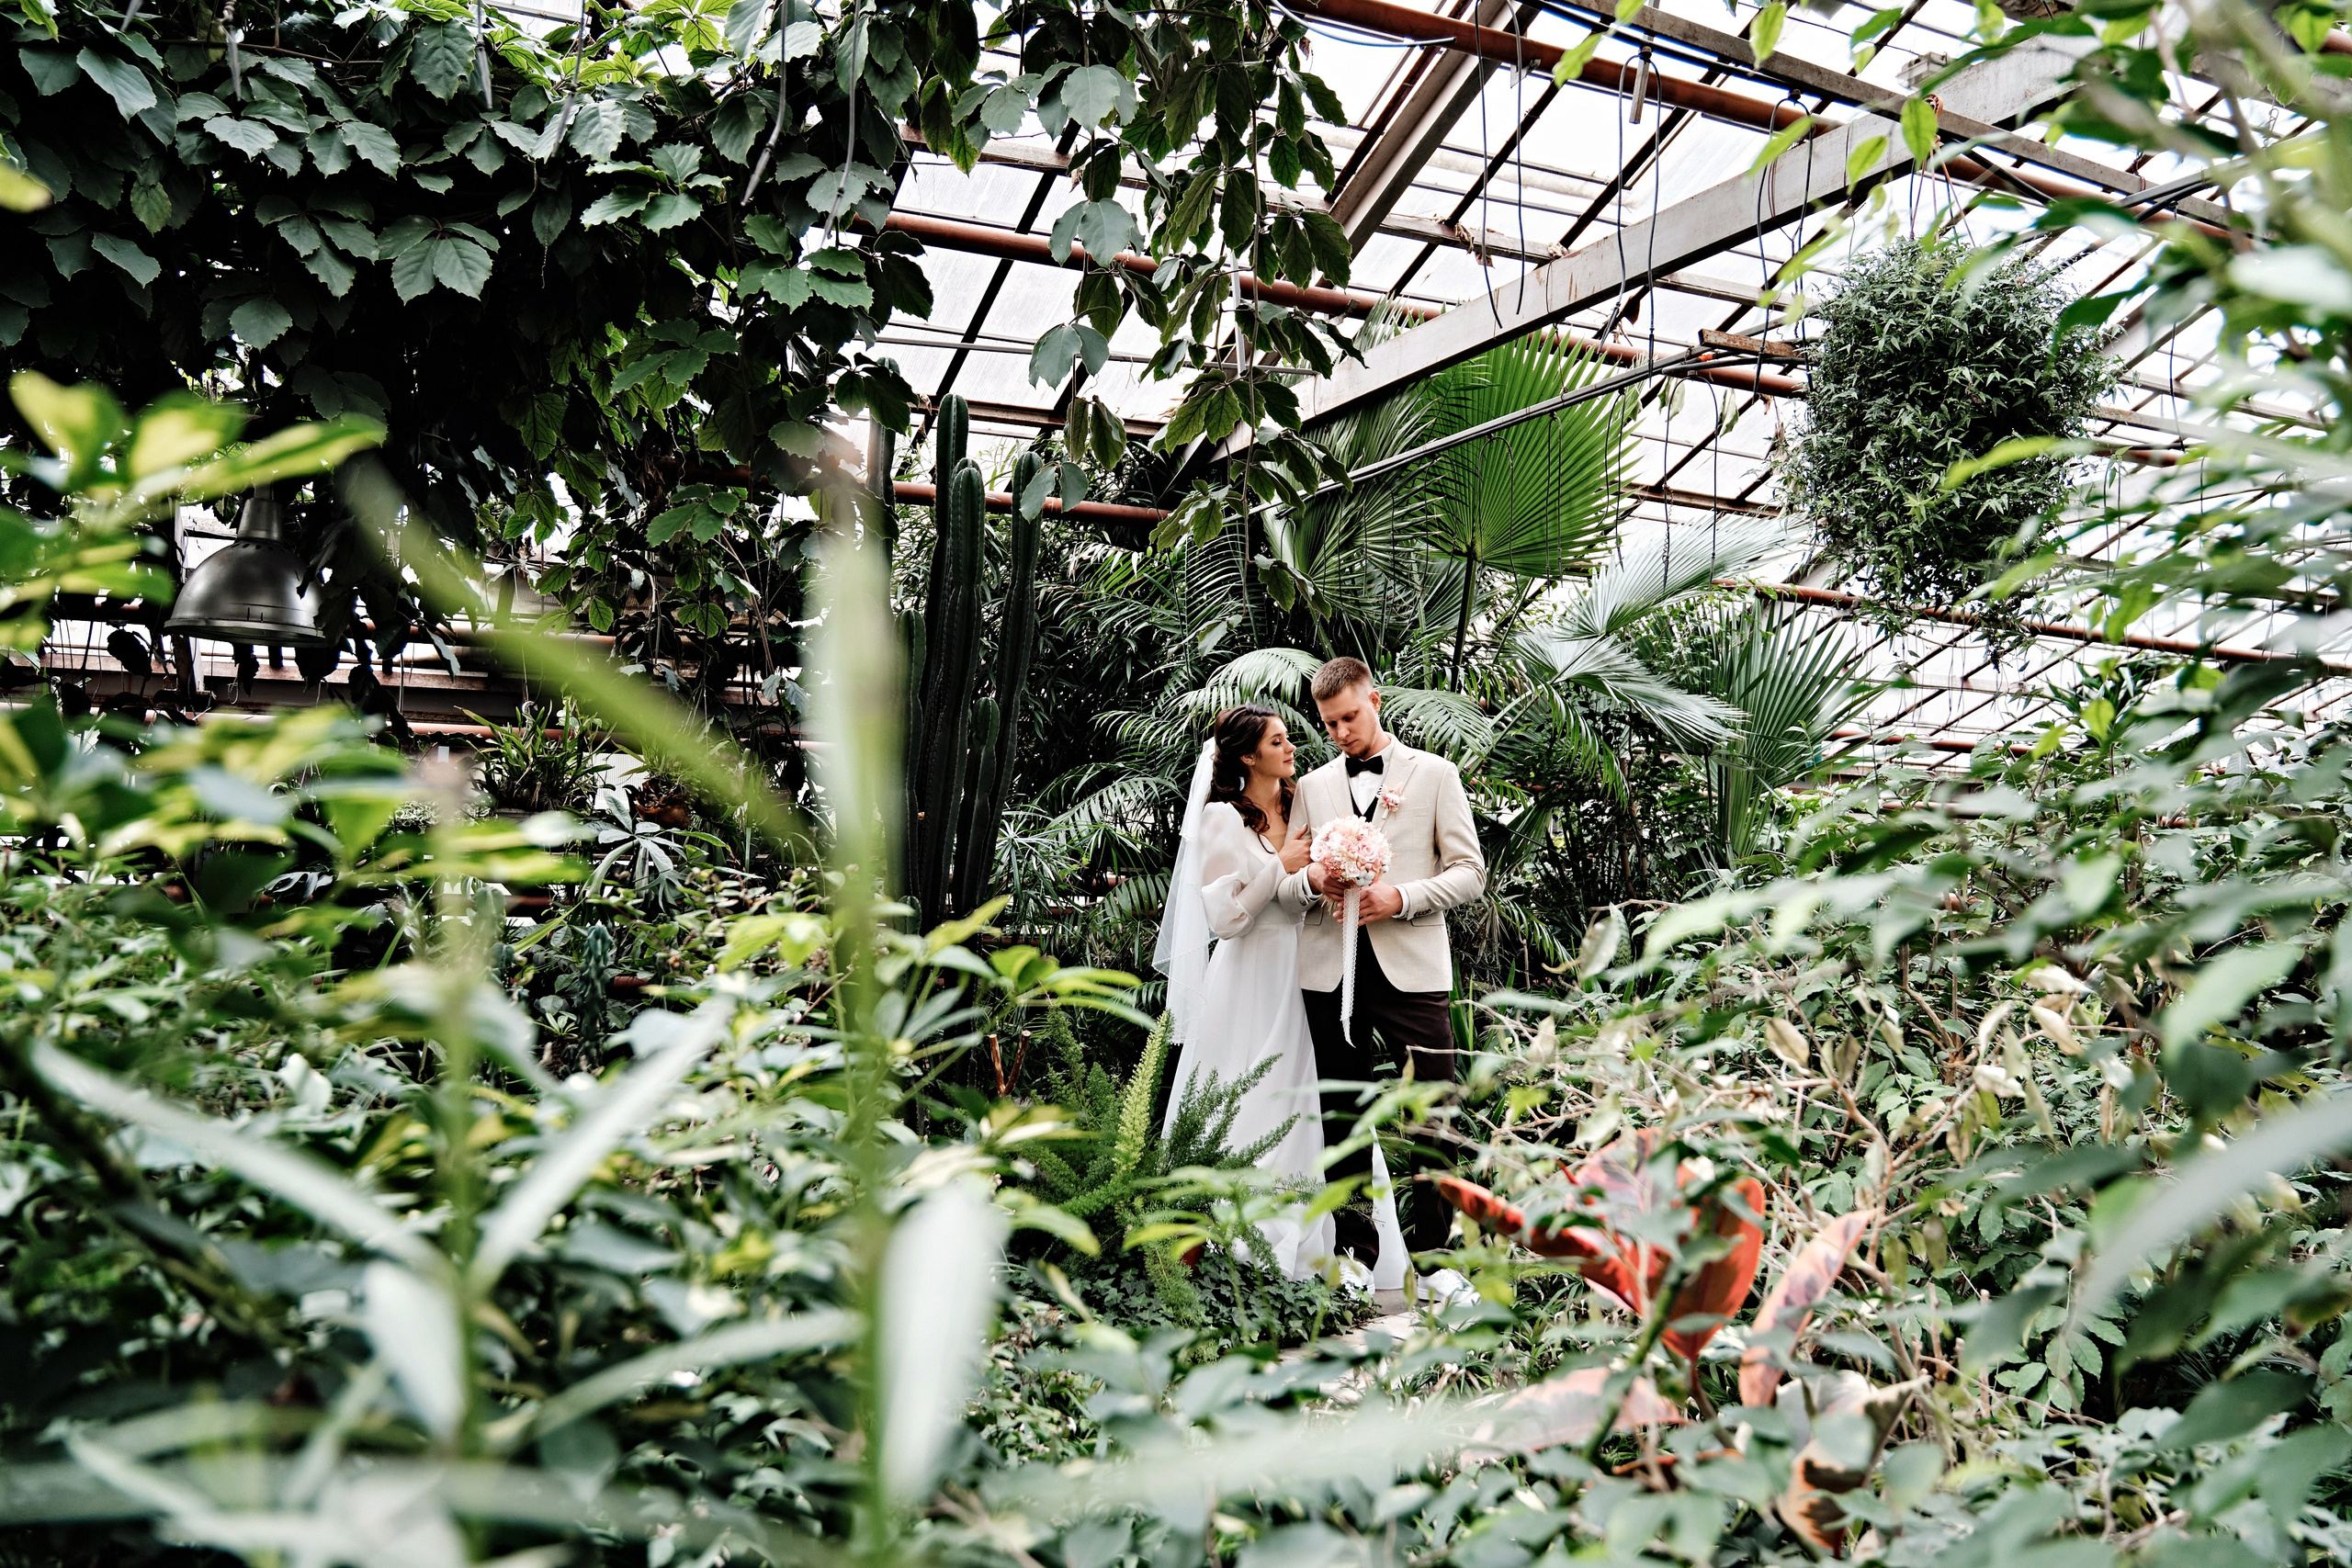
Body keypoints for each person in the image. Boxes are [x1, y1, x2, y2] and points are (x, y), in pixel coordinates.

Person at [1275, 657, 1487, 1267]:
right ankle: (1357, 1254)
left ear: (1375, 698)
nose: (1340, 731)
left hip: (1413, 969)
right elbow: (1290, 885)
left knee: (1435, 1108)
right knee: (1340, 1113)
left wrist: (1400, 896)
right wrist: (1316, 880)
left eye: (1348, 716)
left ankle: (1434, 1253)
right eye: (1328, 723)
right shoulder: (1313, 787)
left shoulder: (1435, 774)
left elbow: (1471, 873)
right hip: (1328, 972)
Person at [1151, 704, 1336, 1278]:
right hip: (1249, 974)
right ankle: (1231, 1247)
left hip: (1307, 971)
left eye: (1289, 740)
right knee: (1243, 1098)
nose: (1291, 748)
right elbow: (1227, 920)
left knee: (1300, 1099)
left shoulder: (1302, 801)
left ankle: (1306, 1242)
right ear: (1248, 756)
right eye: (1278, 742)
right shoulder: (1221, 821)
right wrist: (1278, 865)